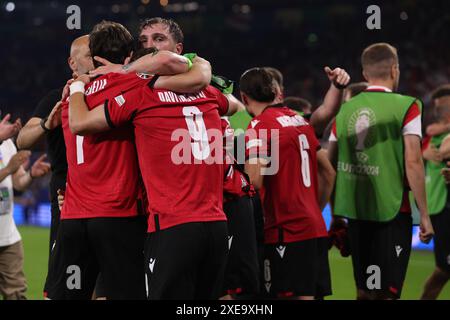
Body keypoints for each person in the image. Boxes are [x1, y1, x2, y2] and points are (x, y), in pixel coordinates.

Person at [46, 21, 207, 300]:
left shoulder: (72, 94)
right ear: (130, 56)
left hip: (72, 217)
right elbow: (194, 72)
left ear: (94, 56)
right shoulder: (137, 84)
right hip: (119, 215)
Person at [327, 42, 434, 300]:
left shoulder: (344, 110)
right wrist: (426, 216)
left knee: (364, 292)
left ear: (365, 74)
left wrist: (336, 214)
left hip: (356, 212)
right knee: (387, 294)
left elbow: (329, 165)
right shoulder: (408, 105)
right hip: (393, 211)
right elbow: (413, 161)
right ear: (395, 70)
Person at [241, 67, 340, 300]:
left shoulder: (259, 127)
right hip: (314, 226)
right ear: (275, 91)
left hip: (285, 229)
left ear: (244, 98)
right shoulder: (299, 120)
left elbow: (254, 181)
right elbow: (328, 173)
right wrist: (314, 208)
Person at [16, 35, 94, 295]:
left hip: (111, 203)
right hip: (67, 201)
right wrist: (46, 124)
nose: (97, 58)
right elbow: (23, 139)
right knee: (64, 286)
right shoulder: (57, 99)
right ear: (73, 63)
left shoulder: (113, 95)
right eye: (90, 54)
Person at [0, 115, 51, 300]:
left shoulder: (7, 145)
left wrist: (31, 174)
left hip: (8, 237)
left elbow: (18, 182)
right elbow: (10, 171)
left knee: (17, 294)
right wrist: (7, 169)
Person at [421, 103, 450, 299]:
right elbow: (441, 152)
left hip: (441, 208)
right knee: (443, 269)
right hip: (441, 207)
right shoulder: (432, 138)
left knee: (443, 271)